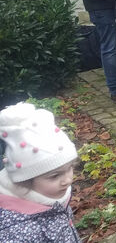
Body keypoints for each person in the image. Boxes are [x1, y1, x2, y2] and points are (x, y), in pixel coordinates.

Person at [0, 102, 80, 242]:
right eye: (55, 176)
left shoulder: (51, 196)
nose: (67, 180)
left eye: (70, 168)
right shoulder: (17, 231)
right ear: (26, 179)